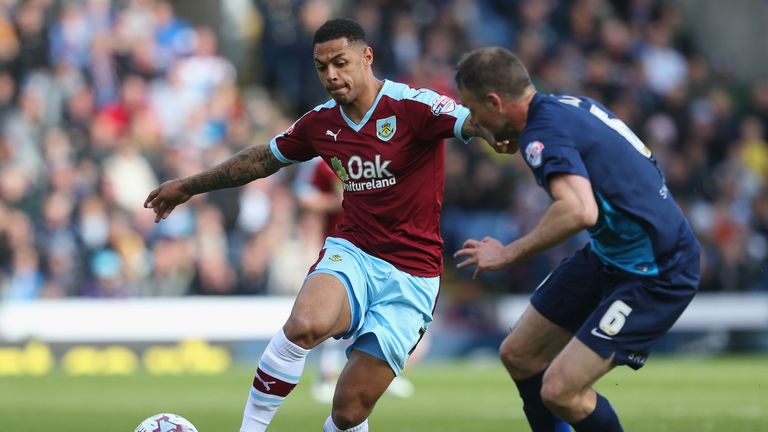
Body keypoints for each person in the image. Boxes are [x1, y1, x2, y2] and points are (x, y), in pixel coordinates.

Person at [144, 18, 493, 432]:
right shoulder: (320, 123)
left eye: (340, 63)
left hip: (413, 276)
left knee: (347, 413)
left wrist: (515, 128)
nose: (331, 75)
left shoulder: (413, 107)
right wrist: (188, 185)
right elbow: (259, 160)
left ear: (367, 57)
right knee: (304, 324)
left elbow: (476, 123)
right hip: (355, 252)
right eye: (321, 66)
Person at [452, 47, 700, 432]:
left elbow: (580, 210)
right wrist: (503, 133)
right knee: (519, 354)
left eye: (472, 107)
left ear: (494, 101)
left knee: (561, 391)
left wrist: (508, 252)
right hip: (612, 255)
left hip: (657, 269)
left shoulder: (541, 133)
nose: (472, 118)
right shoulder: (561, 107)